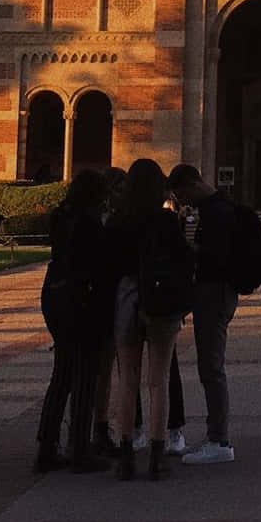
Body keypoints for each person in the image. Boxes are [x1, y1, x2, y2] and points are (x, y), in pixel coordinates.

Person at [106, 159, 192, 480]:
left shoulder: (118, 221)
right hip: (160, 301)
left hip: (127, 299)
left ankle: (126, 453)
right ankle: (157, 454)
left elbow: (108, 268)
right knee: (158, 381)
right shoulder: (166, 221)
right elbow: (184, 261)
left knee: (127, 379)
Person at [34, 169, 114, 472]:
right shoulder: (89, 223)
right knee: (84, 377)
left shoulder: (61, 216)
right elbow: (99, 266)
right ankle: (79, 448)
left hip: (53, 294)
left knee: (62, 375)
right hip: (79, 301)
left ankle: (46, 447)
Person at [174, 163, 242, 465]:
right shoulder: (219, 207)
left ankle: (219, 440)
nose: (185, 203)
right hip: (216, 293)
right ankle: (217, 435)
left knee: (211, 367)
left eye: (183, 195)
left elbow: (216, 256)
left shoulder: (217, 213)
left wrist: (190, 252)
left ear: (192, 184)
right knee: (209, 366)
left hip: (215, 294)